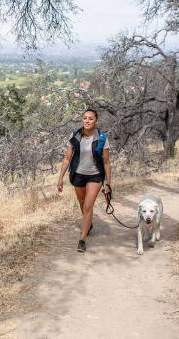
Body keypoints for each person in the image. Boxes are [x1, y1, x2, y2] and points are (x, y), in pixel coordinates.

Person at [57, 108, 112, 253]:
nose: (87, 121)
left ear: (96, 120)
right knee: (82, 204)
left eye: (91, 118)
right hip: (78, 175)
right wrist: (60, 178)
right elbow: (67, 158)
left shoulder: (102, 137)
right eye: (85, 118)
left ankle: (82, 238)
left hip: (95, 176)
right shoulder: (75, 135)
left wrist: (108, 183)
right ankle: (89, 224)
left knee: (88, 206)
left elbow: (106, 162)